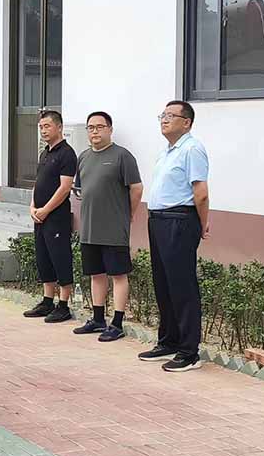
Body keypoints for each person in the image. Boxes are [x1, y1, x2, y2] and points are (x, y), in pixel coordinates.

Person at [139, 101, 209, 373]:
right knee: (164, 284)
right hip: (158, 220)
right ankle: (168, 341)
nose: (164, 119)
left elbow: (200, 192)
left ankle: (189, 352)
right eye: (163, 115)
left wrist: (202, 223)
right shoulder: (167, 151)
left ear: (186, 122)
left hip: (179, 220)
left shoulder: (192, 149)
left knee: (182, 286)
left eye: (170, 115)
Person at [72, 112, 143, 342]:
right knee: (96, 274)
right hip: (89, 228)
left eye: (100, 127)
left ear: (110, 129)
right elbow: (81, 190)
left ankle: (117, 323)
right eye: (91, 127)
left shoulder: (122, 156)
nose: (95, 131)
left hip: (114, 229)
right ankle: (98, 319)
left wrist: (128, 214)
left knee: (118, 275)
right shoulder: (83, 157)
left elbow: (137, 188)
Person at [23, 110, 78, 323]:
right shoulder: (44, 153)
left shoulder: (67, 154)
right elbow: (38, 183)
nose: (43, 131)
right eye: (41, 127)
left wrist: (46, 209)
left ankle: (63, 305)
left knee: (60, 257)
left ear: (59, 127)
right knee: (43, 258)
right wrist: (33, 206)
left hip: (56, 217)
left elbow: (65, 188)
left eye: (47, 126)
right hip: (40, 216)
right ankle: (47, 301)